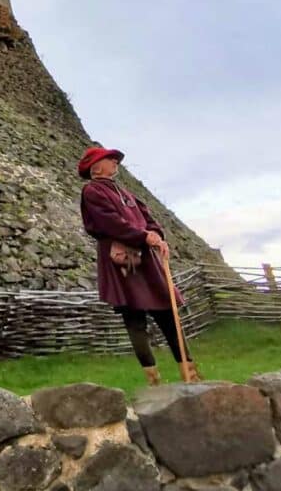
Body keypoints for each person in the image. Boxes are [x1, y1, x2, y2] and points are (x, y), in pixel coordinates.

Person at [78, 146, 200, 384]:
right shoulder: (92, 191)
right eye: (110, 159)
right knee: (135, 318)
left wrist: (156, 236)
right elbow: (109, 223)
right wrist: (143, 236)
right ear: (96, 167)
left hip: (146, 260)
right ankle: (154, 381)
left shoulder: (125, 193)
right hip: (123, 260)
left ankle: (191, 375)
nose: (115, 162)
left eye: (114, 159)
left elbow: (148, 218)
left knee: (166, 311)